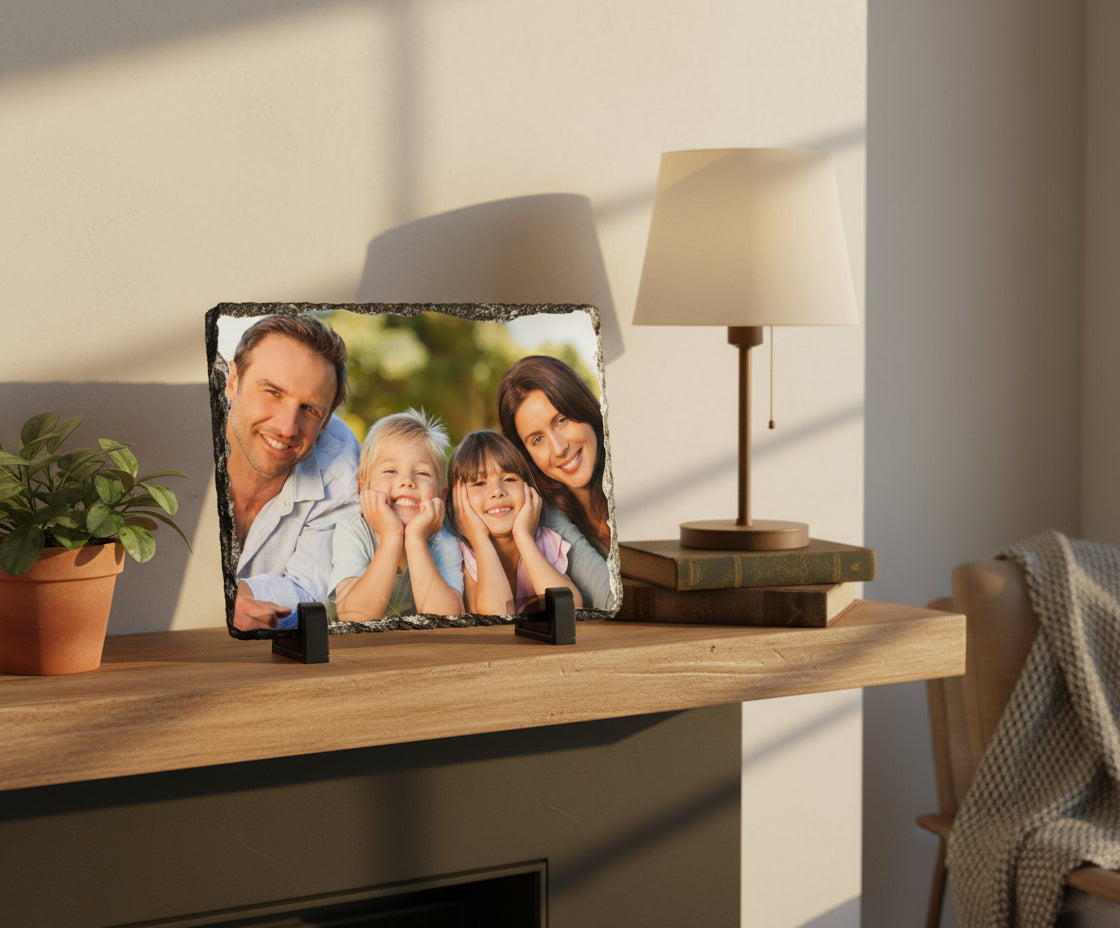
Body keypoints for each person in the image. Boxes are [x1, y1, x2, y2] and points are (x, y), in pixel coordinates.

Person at [223, 315, 360, 632]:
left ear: (325, 423)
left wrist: (236, 597)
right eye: (272, 392)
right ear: (233, 382)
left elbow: (310, 591)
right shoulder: (180, 428)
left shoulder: (341, 467)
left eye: (310, 409)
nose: (287, 427)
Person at [496, 355, 614, 609]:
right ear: (525, 454)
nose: (559, 448)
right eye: (537, 439)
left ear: (581, 407)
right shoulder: (548, 518)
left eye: (561, 420)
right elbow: (611, 598)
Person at [330, 409, 464, 621]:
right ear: (363, 491)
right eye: (390, 471)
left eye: (422, 473)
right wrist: (392, 537)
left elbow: (447, 620)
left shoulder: (444, 541)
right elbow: (354, 617)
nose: (407, 481)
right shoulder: (353, 532)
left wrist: (416, 540)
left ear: (442, 495)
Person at [448, 430, 582, 616]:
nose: (497, 491)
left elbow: (571, 608)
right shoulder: (462, 555)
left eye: (509, 479)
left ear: (529, 489)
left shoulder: (544, 541)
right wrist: (480, 540)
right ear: (456, 500)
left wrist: (524, 537)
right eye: (479, 483)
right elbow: (495, 616)